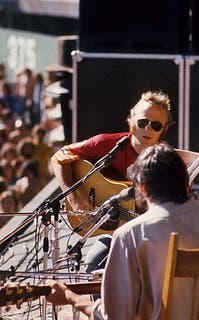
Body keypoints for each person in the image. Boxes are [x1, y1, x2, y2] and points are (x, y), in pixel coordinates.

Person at [45, 143, 199, 319]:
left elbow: (116, 317)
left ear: (141, 188)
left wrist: (69, 297)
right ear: (186, 181)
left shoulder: (131, 235)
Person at [50, 90, 173, 273]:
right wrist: (74, 198)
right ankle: (100, 303)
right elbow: (60, 157)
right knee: (92, 266)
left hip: (150, 241)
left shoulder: (166, 164)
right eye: (142, 122)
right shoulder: (107, 145)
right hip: (113, 236)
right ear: (131, 120)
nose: (147, 129)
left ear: (164, 130)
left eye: (155, 126)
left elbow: (177, 211)